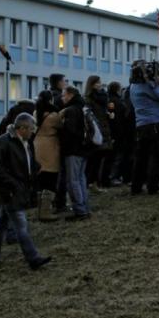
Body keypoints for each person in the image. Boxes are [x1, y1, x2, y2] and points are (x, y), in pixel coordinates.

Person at [0, 113, 51, 270]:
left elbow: (26, 161)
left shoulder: (26, 142)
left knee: (1, 223)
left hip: (18, 189)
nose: (33, 131)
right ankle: (33, 258)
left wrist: (36, 168)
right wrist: (12, 184)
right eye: (31, 128)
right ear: (22, 128)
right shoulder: (4, 142)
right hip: (10, 191)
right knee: (21, 225)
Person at [129, 60, 159, 195]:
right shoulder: (146, 87)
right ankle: (153, 186)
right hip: (155, 124)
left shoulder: (133, 87)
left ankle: (136, 187)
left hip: (141, 126)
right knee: (156, 156)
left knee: (141, 158)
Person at [59, 86, 93, 220]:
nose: (62, 98)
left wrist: (61, 130)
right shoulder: (83, 108)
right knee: (80, 179)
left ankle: (80, 211)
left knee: (73, 181)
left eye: (64, 95)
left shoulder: (71, 110)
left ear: (70, 95)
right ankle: (85, 208)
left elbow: (71, 132)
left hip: (73, 150)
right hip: (84, 149)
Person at [83, 75, 113, 191]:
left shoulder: (103, 97)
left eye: (99, 82)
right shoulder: (89, 99)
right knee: (94, 159)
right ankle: (91, 183)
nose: (99, 84)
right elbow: (89, 116)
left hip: (104, 129)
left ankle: (94, 183)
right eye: (96, 83)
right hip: (95, 131)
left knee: (100, 157)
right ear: (91, 85)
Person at [33, 89, 63, 195]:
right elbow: (61, 126)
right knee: (51, 174)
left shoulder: (36, 112)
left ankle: (39, 198)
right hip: (51, 144)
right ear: (51, 100)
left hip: (38, 144)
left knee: (40, 172)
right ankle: (49, 199)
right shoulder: (54, 115)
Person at [107, 81, 133, 186]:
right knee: (118, 156)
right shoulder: (116, 101)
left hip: (119, 132)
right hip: (119, 132)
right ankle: (113, 177)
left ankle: (115, 176)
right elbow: (117, 118)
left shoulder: (113, 100)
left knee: (118, 155)